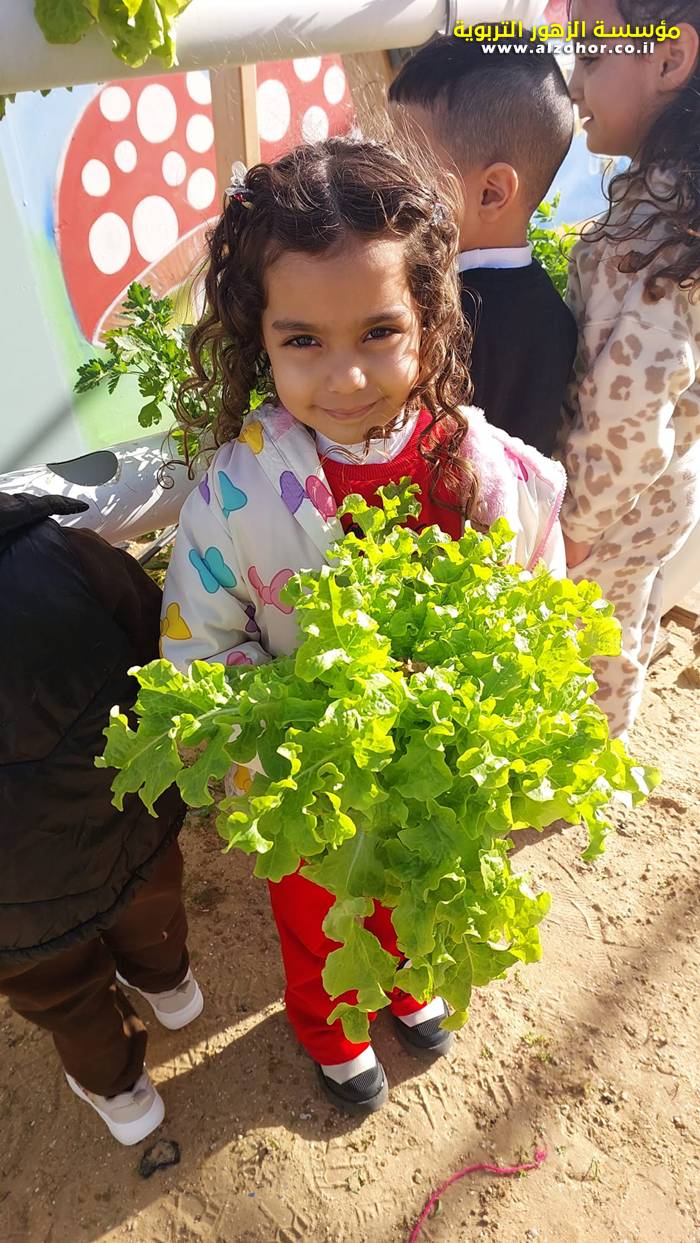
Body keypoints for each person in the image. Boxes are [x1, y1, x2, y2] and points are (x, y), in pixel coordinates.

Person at [160, 137, 566, 1114]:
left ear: (428, 320)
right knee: (322, 914)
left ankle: (410, 981)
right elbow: (198, 650)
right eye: (303, 340)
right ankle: (332, 1029)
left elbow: (539, 602)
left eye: (379, 331)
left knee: (417, 886)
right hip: (314, 788)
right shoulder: (235, 498)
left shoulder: (485, 469)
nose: (344, 377)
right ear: (259, 339)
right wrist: (288, 725)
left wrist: (505, 694)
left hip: (437, 773)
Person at [0, 492, 203, 1146]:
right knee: (151, 907)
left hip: (12, 906)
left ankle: (123, 1095)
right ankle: (172, 988)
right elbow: (155, 635)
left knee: (62, 992)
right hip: (125, 816)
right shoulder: (61, 552)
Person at [560, 0, 700, 739]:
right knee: (624, 623)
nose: (573, 82)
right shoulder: (677, 203)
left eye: (590, 53)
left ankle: (586, 766)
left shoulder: (654, 226)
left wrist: (578, 525)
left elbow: (634, 403)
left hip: (616, 499)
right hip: (658, 490)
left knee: (590, 651)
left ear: (669, 59)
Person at [388, 33, 577, 456]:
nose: (387, 182)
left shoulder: (443, 311)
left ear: (491, 193)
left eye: (407, 164)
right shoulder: (555, 316)